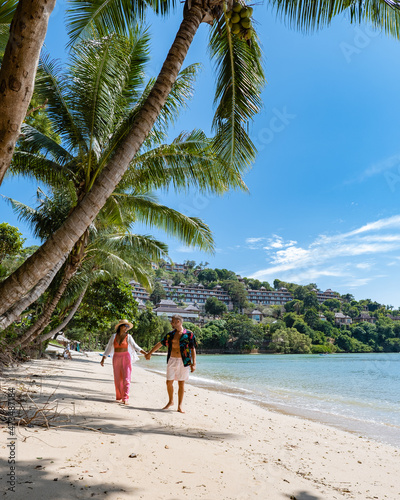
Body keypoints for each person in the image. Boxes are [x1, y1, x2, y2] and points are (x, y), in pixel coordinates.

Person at [147, 314, 197, 413]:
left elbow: (192, 348)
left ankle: (180, 406)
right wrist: (149, 353)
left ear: (178, 322)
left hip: (184, 361)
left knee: (181, 383)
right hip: (172, 360)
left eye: (173, 321)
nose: (171, 323)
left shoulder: (189, 334)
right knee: (169, 382)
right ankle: (171, 401)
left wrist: (194, 363)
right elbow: (160, 343)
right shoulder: (170, 334)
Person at [100, 319, 148, 404]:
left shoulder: (128, 337)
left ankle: (125, 398)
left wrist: (145, 353)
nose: (127, 328)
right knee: (118, 379)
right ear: (121, 326)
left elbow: (135, 346)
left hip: (126, 358)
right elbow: (108, 348)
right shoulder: (113, 336)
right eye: (126, 326)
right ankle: (119, 396)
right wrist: (103, 358)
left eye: (128, 327)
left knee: (126, 378)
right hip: (116, 358)